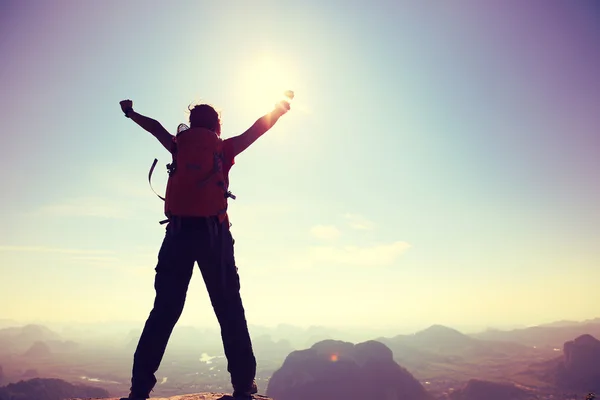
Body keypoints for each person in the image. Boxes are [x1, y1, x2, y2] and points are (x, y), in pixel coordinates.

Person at [118, 93, 293, 400]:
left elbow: (156, 127)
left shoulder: (178, 145)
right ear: (217, 126)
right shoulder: (223, 148)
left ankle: (140, 388)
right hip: (215, 236)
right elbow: (257, 129)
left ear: (191, 123)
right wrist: (278, 109)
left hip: (178, 235)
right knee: (229, 310)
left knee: (164, 311)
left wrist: (132, 114)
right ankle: (242, 386)